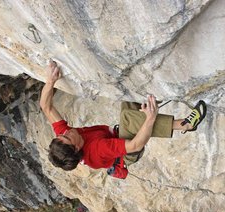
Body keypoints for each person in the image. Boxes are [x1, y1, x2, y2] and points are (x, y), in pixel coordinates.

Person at [40, 60, 206, 179]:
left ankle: (163, 83)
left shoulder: (64, 139)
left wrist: (50, 81)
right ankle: (185, 124)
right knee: (130, 117)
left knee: (129, 99)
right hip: (127, 153)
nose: (67, 131)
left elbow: (46, 107)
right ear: (76, 148)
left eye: (62, 135)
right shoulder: (98, 150)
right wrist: (150, 118)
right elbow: (135, 145)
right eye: (67, 136)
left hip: (116, 136)